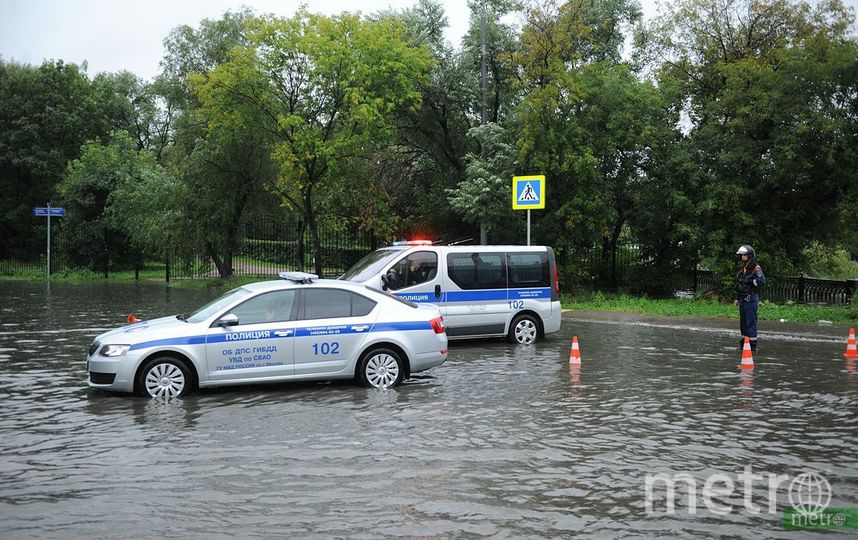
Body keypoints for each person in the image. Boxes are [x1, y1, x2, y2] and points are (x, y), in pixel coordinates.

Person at [735, 245, 766, 350]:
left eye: (744, 254)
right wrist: (737, 298)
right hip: (743, 298)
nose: (742, 256)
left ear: (749, 255)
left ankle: (752, 346)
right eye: (741, 255)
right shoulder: (743, 269)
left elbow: (762, 282)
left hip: (751, 298)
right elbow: (740, 285)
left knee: (750, 322)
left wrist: (751, 281)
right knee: (743, 322)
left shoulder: (755, 268)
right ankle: (743, 343)